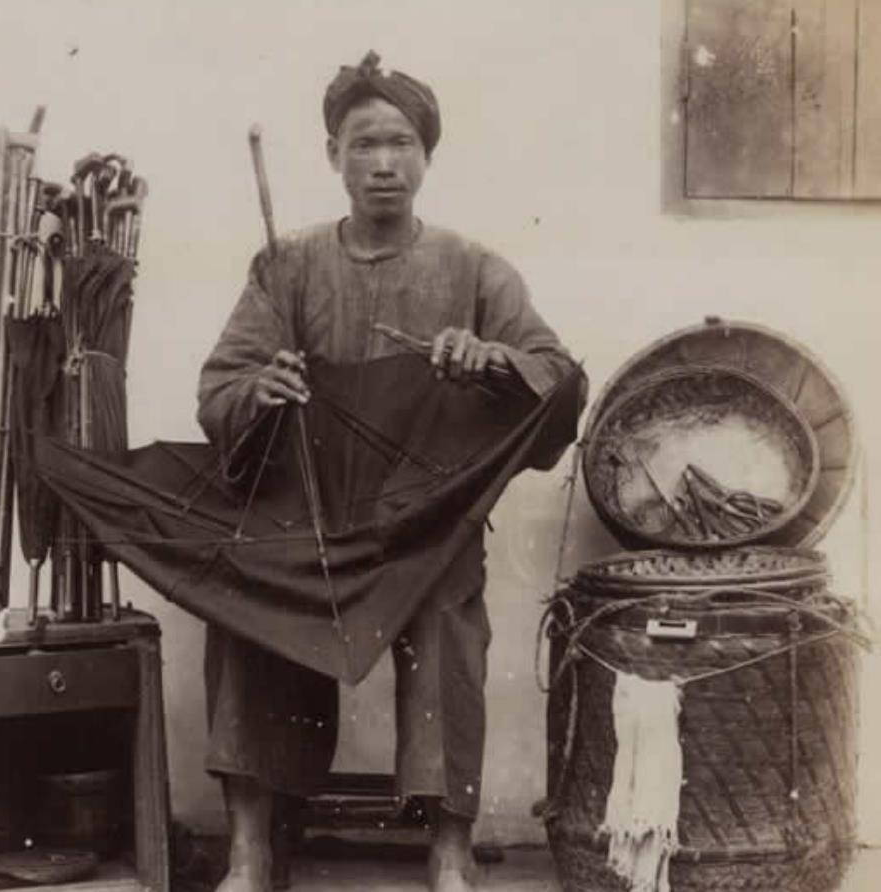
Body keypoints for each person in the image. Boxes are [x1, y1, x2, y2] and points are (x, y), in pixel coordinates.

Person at [197, 51, 585, 892]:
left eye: (401, 143)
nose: (383, 163)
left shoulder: (475, 269)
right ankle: (250, 848)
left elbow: (558, 377)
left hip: (422, 523)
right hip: (306, 515)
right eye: (364, 143)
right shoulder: (286, 266)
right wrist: (261, 388)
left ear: (427, 156)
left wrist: (492, 361)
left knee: (448, 615)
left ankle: (448, 849)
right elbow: (219, 390)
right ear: (333, 155)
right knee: (246, 601)